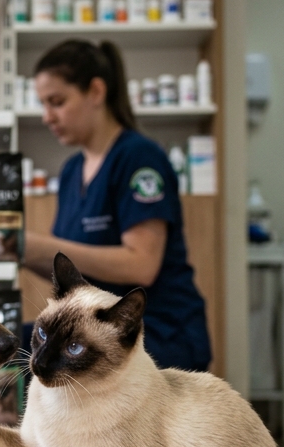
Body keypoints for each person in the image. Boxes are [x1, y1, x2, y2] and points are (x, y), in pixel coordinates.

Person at [21, 39, 211, 371]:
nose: (47, 117)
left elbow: (142, 264)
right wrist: (16, 251)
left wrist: (37, 245)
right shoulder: (70, 172)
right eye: (43, 105)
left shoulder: (139, 158)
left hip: (155, 335)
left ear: (96, 91)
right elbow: (73, 276)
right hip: (90, 334)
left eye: (57, 102)